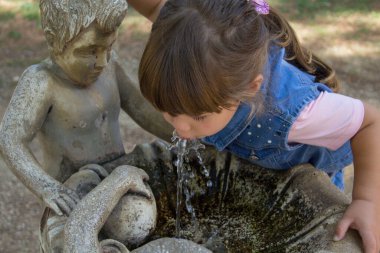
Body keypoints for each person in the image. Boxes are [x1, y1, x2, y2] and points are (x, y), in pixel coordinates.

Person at [137, 0, 380, 252]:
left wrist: (366, 200)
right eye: (169, 110)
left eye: (198, 117)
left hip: (305, 186)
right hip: (254, 166)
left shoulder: (295, 110)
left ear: (250, 89)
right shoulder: (181, 39)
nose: (181, 128)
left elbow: (370, 123)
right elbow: (156, 7)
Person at [0, 0, 172, 217]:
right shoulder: (42, 82)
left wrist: (185, 136)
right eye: (89, 51)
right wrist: (47, 187)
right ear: (56, 42)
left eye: (109, 47)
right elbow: (9, 139)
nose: (102, 61)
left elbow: (140, 108)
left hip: (117, 177)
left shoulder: (110, 66)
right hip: (74, 194)